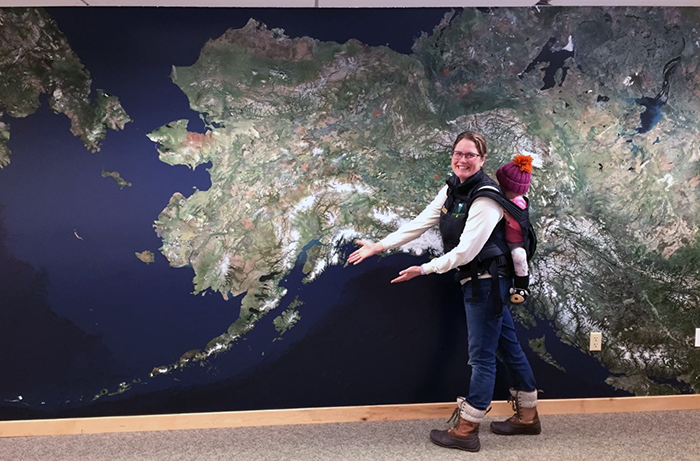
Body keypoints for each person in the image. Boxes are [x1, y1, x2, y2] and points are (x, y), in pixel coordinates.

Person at [347, 131, 540, 453]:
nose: (462, 160)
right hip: (479, 281)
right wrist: (380, 246)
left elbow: (465, 252)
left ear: (482, 160)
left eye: (470, 155)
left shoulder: (486, 198)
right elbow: (423, 221)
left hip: (485, 283)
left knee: (482, 357)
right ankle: (528, 417)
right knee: (508, 347)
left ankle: (467, 429)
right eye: (458, 153)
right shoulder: (453, 187)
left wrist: (424, 269)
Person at [495, 154, 534, 305]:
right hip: (504, 241)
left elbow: (521, 224)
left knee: (519, 256)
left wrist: (509, 219)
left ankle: (521, 287)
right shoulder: (503, 197)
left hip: (516, 243)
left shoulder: (518, 203)